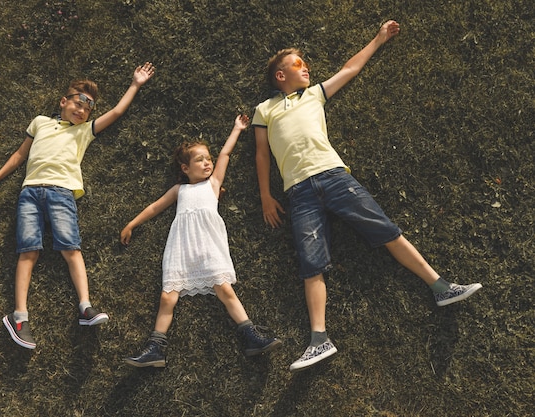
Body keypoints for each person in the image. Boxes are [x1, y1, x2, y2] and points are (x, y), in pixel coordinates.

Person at [252, 20, 482, 372]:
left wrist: (379, 38)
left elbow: (350, 68)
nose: (305, 68)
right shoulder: (264, 110)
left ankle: (440, 286)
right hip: (298, 193)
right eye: (298, 64)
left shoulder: (313, 93)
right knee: (310, 263)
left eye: (305, 64)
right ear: (280, 76)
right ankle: (318, 339)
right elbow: (262, 155)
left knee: (386, 230)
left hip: (333, 177)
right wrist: (266, 196)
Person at [0, 63, 155, 349]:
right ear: (63, 101)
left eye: (88, 108)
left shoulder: (84, 131)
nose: (82, 111)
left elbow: (118, 112)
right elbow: (21, 153)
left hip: (62, 194)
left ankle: (85, 307)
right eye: (78, 103)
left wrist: (136, 83)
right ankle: (19, 317)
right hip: (30, 193)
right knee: (28, 251)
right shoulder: (40, 123)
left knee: (71, 248)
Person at [120, 115, 281, 367]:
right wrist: (132, 223)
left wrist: (237, 129)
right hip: (180, 248)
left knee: (225, 289)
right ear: (185, 168)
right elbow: (154, 207)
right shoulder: (179, 190)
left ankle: (251, 336)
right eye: (200, 159)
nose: (207, 163)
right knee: (167, 297)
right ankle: (155, 348)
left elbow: (225, 155)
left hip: (209, 247)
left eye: (208, 158)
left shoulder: (213, 184)